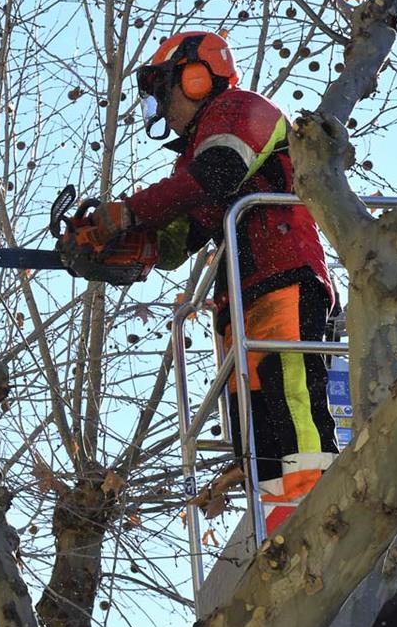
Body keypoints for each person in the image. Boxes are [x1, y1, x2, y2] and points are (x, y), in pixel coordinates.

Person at [75, 31, 339, 533]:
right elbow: (183, 235)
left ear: (194, 78)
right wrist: (128, 248)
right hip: (243, 292)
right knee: (256, 411)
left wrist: (127, 213)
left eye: (161, 93)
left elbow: (216, 175)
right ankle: (275, 513)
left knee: (292, 396)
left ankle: (311, 511)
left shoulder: (242, 112)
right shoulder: (192, 158)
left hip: (283, 271)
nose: (160, 110)